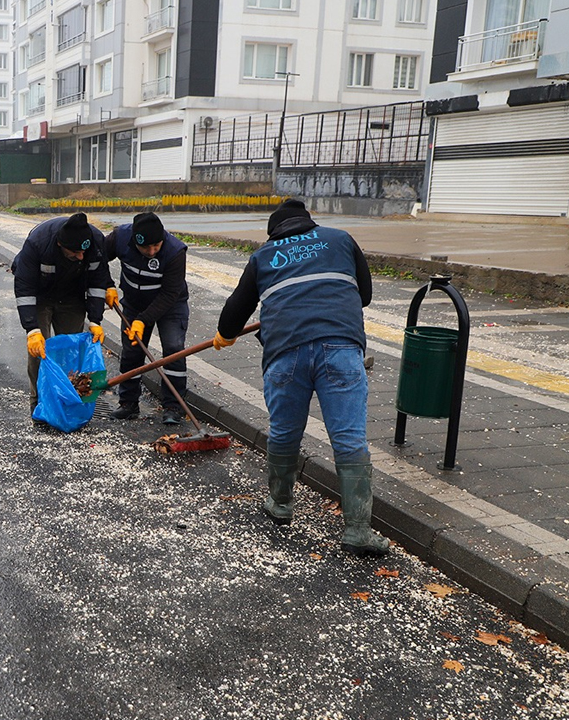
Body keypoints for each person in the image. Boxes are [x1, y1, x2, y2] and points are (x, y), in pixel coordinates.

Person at [211, 198, 388, 558]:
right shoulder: (340, 239)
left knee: (284, 431)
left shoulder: (264, 256)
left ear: (274, 232)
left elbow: (233, 314)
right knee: (349, 437)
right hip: (340, 347)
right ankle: (358, 531)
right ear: (309, 222)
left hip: (285, 352)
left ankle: (280, 505)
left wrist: (225, 334)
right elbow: (365, 295)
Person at [13, 212, 112, 414]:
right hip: (40, 294)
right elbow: (24, 289)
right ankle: (39, 403)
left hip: (72, 296)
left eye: (83, 252)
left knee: (71, 349)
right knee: (39, 350)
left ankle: (68, 398)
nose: (81, 257)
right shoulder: (38, 243)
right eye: (75, 252)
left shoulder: (95, 242)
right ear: (60, 244)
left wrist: (95, 320)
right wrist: (32, 329)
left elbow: (97, 281)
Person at [103, 211, 190, 424]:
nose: (152, 252)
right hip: (134, 303)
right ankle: (128, 403)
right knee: (132, 351)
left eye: (156, 246)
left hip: (170, 306)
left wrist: (143, 320)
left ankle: (173, 407)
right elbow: (97, 258)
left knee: (173, 349)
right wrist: (107, 284)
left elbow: (169, 294)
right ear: (135, 242)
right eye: (145, 248)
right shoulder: (120, 238)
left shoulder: (175, 251)